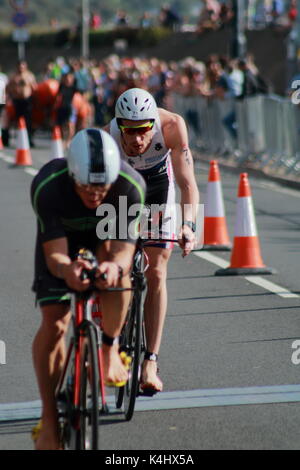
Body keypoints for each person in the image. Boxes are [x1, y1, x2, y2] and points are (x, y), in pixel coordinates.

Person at [30, 128, 146, 450]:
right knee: (55, 322)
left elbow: (124, 250)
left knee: (119, 276)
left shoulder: (129, 186)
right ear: (72, 176)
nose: (95, 195)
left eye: (102, 188)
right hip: (63, 244)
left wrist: (114, 268)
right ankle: (50, 420)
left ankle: (108, 349)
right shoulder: (48, 186)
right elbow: (53, 254)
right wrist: (67, 268)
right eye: (86, 188)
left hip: (104, 239)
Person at [104, 88, 200, 394]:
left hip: (158, 188)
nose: (135, 139)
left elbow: (187, 185)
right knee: (116, 267)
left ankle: (150, 361)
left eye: (143, 130)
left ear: (153, 125)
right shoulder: (106, 138)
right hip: (121, 192)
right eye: (128, 131)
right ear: (119, 125)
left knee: (157, 271)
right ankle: (111, 340)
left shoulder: (172, 126)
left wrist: (187, 225)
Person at [5, 60, 37, 147]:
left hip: (27, 101)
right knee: (16, 120)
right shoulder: (14, 77)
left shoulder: (30, 76)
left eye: (23, 66)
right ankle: (17, 139)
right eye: (19, 66)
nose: (21, 68)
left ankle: (29, 139)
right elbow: (8, 88)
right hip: (17, 100)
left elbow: (35, 88)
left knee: (28, 121)